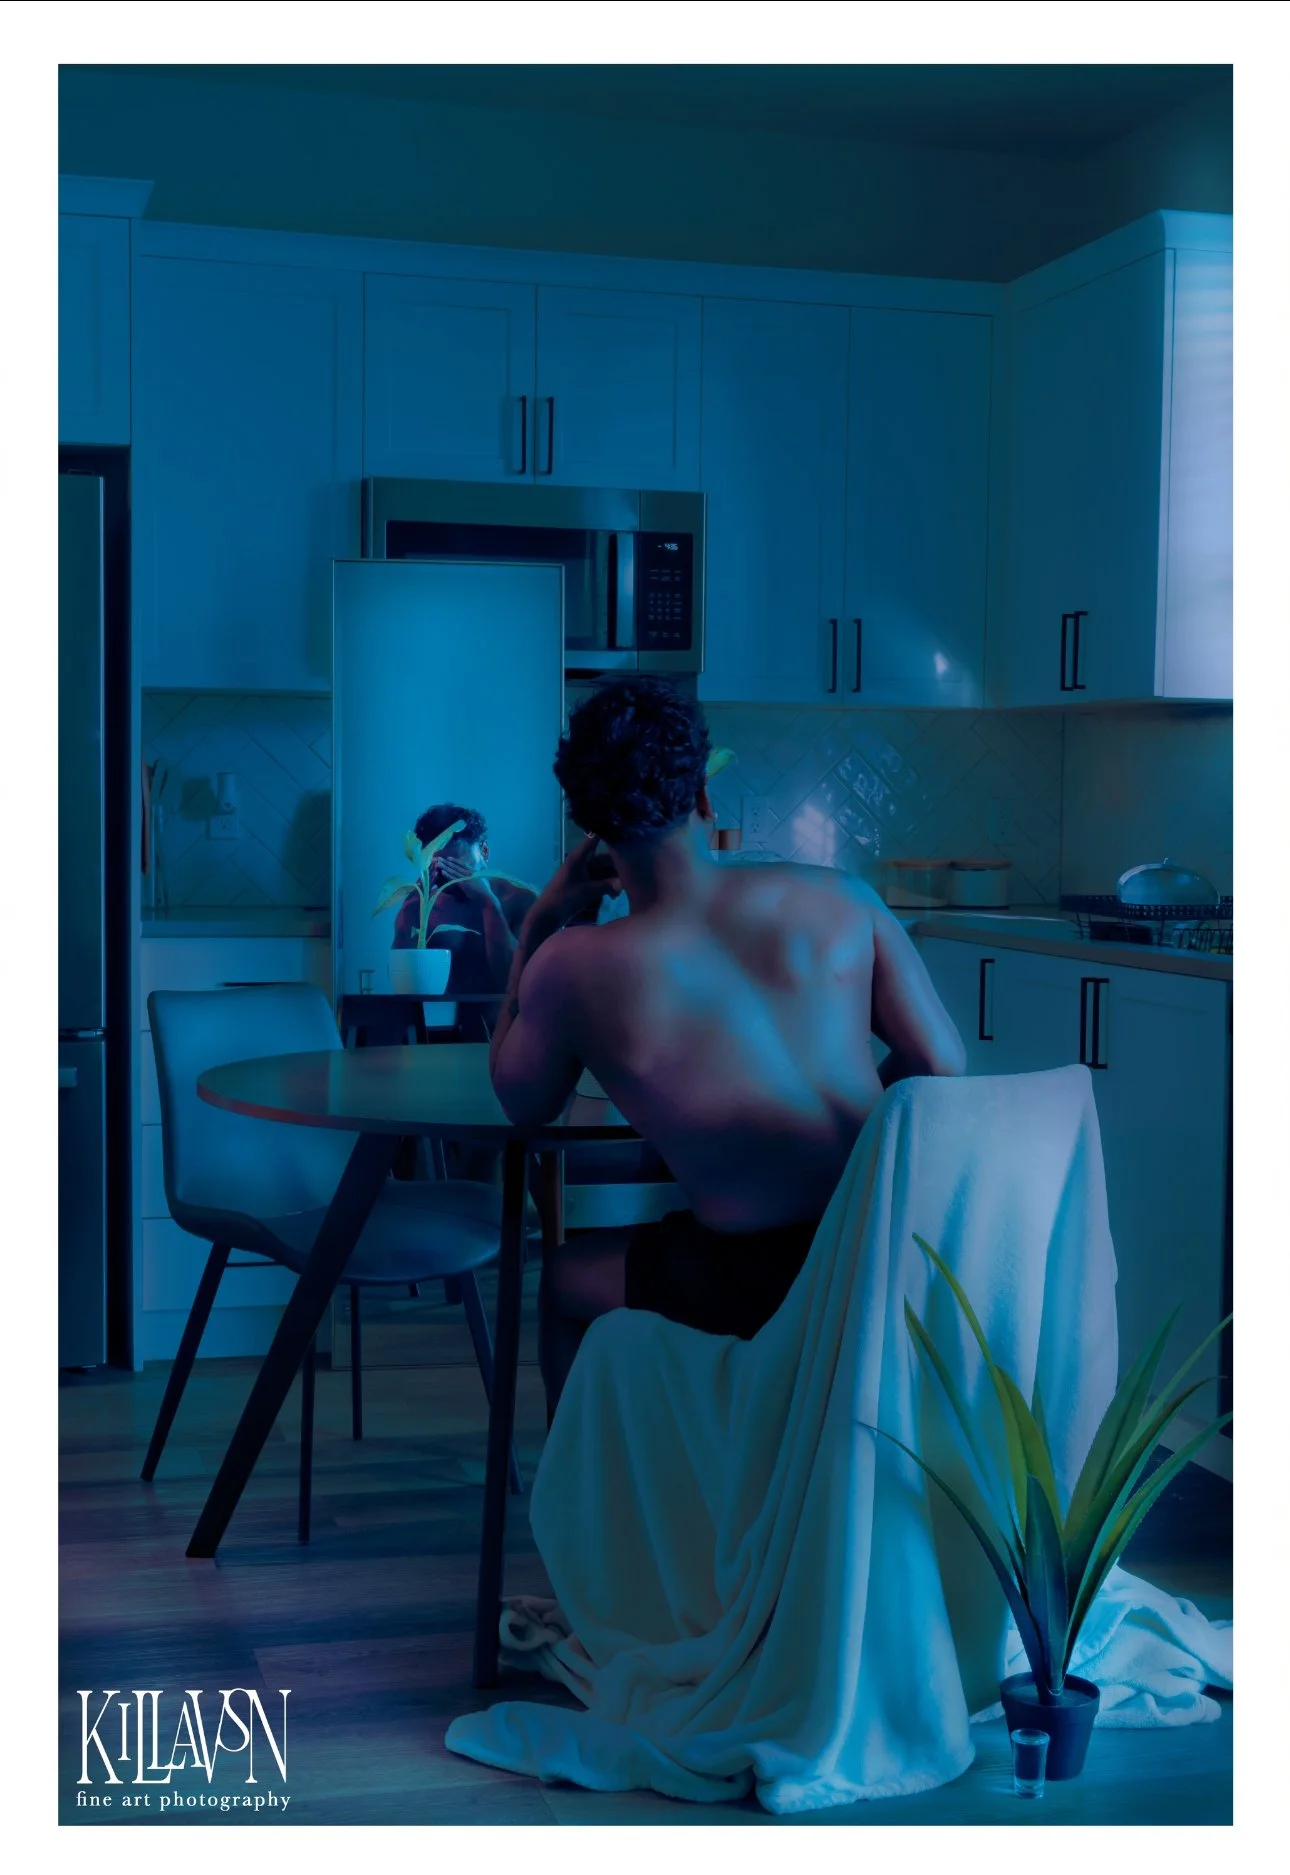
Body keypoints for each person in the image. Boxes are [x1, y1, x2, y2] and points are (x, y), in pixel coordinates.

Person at [486, 677, 967, 1421]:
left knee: (562, 1284)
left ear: (586, 823)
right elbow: (940, 1065)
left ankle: (585, 1521)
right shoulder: (843, 898)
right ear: (704, 797)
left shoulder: (572, 965)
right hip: (892, 1240)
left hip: (761, 1274)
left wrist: (540, 923)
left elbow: (521, 1101)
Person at [393, 803, 536, 997]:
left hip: (504, 1024)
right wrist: (407, 914)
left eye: (460, 868)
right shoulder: (424, 907)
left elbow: (516, 982)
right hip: (438, 1024)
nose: (453, 880)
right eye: (442, 869)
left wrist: (490, 905)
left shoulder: (521, 899)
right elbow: (405, 988)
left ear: (484, 852)